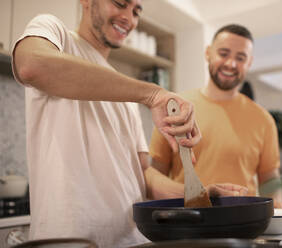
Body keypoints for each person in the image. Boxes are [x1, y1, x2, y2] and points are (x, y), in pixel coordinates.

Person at [11, 1, 250, 247]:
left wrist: (198, 194)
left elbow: (144, 174)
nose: (129, 17)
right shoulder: (55, 33)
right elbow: (32, 65)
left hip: (132, 240)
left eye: (136, 11)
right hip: (71, 240)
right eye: (120, 3)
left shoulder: (126, 94)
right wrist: (153, 94)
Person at [150, 24, 282, 208]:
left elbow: (270, 180)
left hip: (243, 224)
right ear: (208, 53)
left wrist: (278, 212)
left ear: (249, 63)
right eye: (223, 54)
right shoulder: (176, 108)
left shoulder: (263, 119)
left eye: (240, 58)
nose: (231, 64)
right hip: (187, 222)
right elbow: (154, 175)